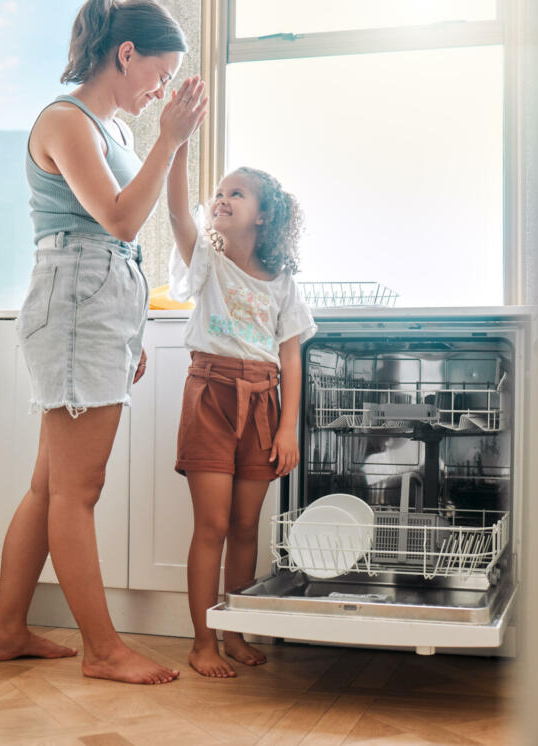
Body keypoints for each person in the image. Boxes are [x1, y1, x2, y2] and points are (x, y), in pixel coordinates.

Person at [0, 0, 207, 685]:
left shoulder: (111, 130)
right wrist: (167, 138)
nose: (158, 92)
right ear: (127, 53)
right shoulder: (65, 120)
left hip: (95, 314)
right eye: (159, 75)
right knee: (79, 489)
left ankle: (7, 630)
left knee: (50, 486)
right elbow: (118, 222)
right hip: (76, 310)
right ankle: (104, 651)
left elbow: (137, 225)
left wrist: (128, 332)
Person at [167, 150, 317, 677]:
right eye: (219, 193)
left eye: (237, 193)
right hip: (211, 395)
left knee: (246, 526)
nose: (222, 199)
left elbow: (291, 354)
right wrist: (178, 145)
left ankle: (234, 633)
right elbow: (178, 215)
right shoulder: (206, 259)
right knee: (210, 524)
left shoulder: (282, 283)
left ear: (264, 216)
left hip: (262, 404)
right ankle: (201, 641)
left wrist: (287, 425)